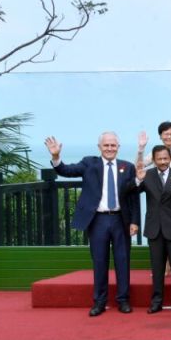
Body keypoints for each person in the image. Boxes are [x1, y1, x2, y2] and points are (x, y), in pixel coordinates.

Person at [45, 132, 139, 316]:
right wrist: (56, 157)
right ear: (99, 147)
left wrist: (135, 221)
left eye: (113, 145)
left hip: (121, 220)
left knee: (122, 261)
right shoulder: (89, 163)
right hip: (98, 220)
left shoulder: (127, 167)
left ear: (118, 147)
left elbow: (133, 197)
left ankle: (123, 300)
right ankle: (99, 302)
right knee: (99, 261)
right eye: (106, 145)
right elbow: (66, 171)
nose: (110, 149)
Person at [134, 145, 171, 313]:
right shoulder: (147, 175)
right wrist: (138, 180)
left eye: (165, 158)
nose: (162, 162)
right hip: (154, 229)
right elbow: (132, 192)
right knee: (157, 268)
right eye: (159, 159)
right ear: (153, 160)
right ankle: (156, 301)